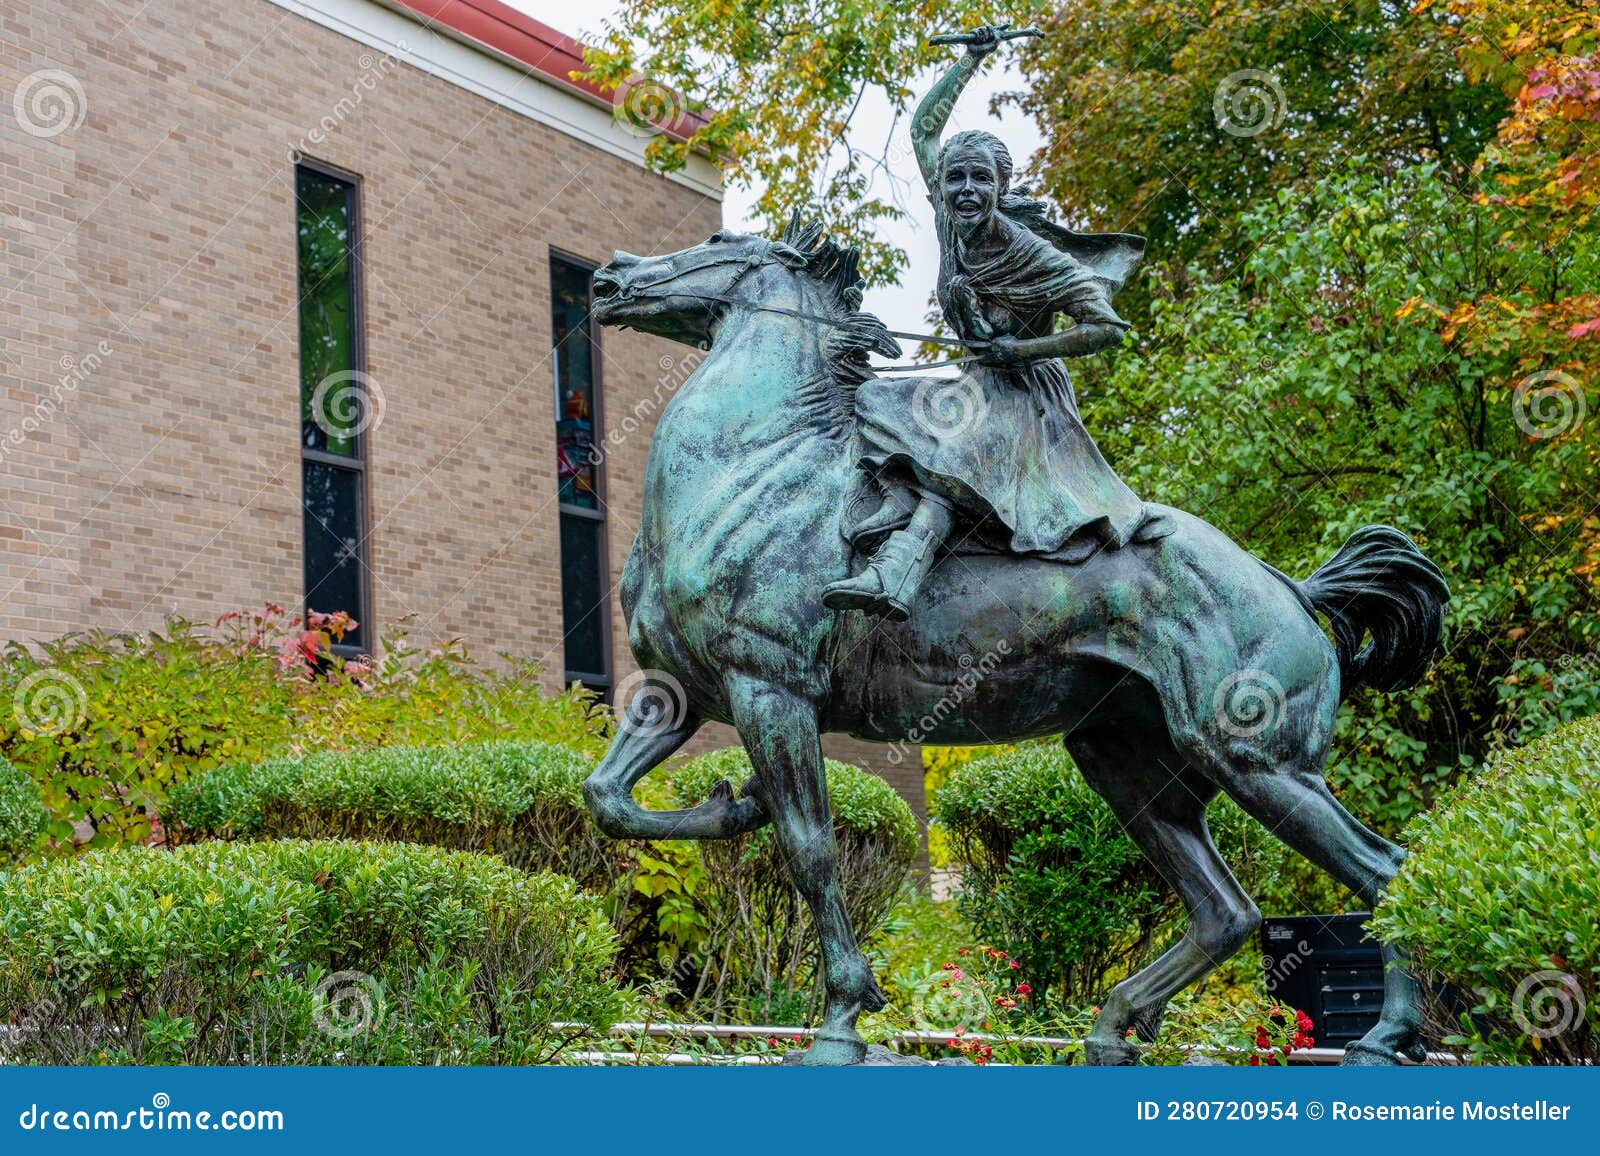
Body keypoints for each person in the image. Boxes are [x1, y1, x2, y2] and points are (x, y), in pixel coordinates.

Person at [822, 24, 1147, 621]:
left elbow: (1108, 328)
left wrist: (1021, 352)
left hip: (1027, 394)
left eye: (980, 179)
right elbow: (924, 128)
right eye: (955, 178)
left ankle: (898, 572)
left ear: (1000, 186)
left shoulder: (1032, 255)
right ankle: (894, 506)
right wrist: (970, 60)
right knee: (869, 400)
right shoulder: (950, 219)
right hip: (978, 380)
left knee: (960, 443)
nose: (966, 189)